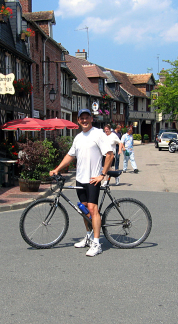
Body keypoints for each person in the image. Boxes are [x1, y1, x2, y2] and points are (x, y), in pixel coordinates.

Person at [50, 109, 114, 257]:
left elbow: (109, 154)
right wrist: (57, 169)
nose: (84, 120)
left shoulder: (98, 134)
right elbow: (70, 155)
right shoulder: (78, 137)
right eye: (81, 118)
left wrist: (102, 175)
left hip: (93, 178)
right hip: (80, 178)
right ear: (78, 120)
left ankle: (97, 243)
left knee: (93, 209)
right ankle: (89, 237)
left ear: (91, 119)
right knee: (84, 209)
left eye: (87, 118)